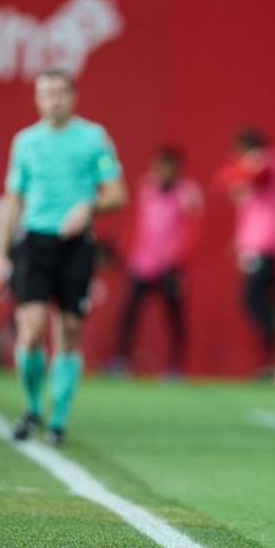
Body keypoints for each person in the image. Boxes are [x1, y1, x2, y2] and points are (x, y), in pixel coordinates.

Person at [0, 69, 127, 447]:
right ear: (37, 99)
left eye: (59, 93)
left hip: (76, 246)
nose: (52, 100)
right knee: (31, 330)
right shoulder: (26, 142)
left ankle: (59, 421)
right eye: (45, 94)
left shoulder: (93, 139)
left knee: (68, 331)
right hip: (34, 243)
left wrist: (89, 206)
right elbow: (13, 198)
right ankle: (33, 408)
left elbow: (117, 192)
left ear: (73, 97)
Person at [109, 146, 202, 377]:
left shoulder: (188, 193)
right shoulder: (146, 187)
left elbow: (192, 230)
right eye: (158, 166)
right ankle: (120, 360)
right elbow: (137, 223)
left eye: (167, 167)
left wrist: (178, 260)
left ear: (176, 169)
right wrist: (127, 251)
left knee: (174, 318)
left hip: (170, 267)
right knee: (129, 314)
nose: (162, 171)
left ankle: (175, 366)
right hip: (141, 264)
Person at [214, 129, 275, 374]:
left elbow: (230, 178)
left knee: (253, 300)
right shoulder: (271, 163)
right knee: (260, 301)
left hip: (268, 244)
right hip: (262, 243)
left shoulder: (267, 160)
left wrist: (236, 172)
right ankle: (274, 358)